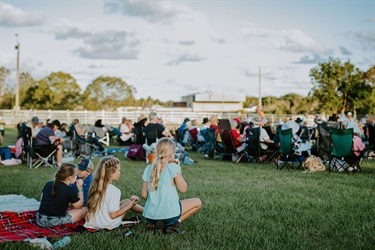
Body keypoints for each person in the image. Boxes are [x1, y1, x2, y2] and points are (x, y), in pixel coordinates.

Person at [141, 138, 202, 233]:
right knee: (197, 202)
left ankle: (154, 223)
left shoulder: (149, 168)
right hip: (170, 214)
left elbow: (144, 195)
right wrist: (178, 169)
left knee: (159, 211)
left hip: (150, 216)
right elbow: (183, 189)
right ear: (172, 153)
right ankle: (172, 225)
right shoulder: (173, 168)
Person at [84, 156, 144, 230]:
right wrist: (131, 205)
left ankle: (146, 211)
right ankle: (148, 213)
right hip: (108, 225)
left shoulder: (94, 186)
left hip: (92, 223)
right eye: (119, 170)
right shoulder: (114, 191)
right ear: (111, 174)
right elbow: (113, 215)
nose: (120, 172)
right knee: (128, 203)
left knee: (125, 202)